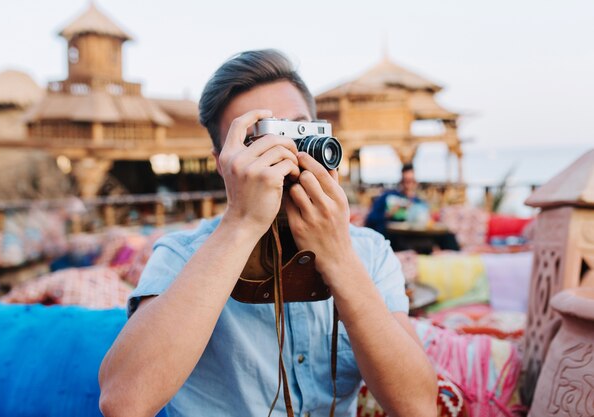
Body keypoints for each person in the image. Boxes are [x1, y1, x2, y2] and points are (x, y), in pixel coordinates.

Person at [98, 49, 437, 417]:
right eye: (261, 139)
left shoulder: (367, 252)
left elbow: (417, 407)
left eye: (298, 130)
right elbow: (123, 403)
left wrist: (338, 258)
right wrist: (241, 224)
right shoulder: (183, 256)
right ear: (222, 163)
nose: (286, 152)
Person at [365, 164, 460, 253]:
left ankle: (460, 263)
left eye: (412, 182)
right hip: (396, 236)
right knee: (416, 245)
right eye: (406, 181)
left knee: (448, 236)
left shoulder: (419, 202)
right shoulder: (388, 197)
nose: (408, 185)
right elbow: (370, 220)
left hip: (416, 234)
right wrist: (388, 214)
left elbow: (427, 222)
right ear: (401, 181)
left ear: (416, 183)